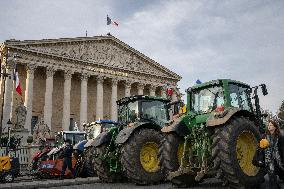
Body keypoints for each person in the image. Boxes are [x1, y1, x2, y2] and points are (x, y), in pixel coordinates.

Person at [262, 120, 284, 189]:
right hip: (269, 160)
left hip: (278, 159)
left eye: (271, 125)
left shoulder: (280, 137)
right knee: (272, 177)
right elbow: (261, 147)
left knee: (281, 172)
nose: (269, 126)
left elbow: (282, 149)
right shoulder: (264, 136)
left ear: (275, 127)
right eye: (268, 125)